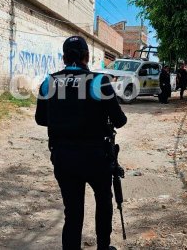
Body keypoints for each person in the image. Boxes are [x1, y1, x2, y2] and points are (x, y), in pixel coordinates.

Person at [35, 36, 127, 250]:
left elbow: (41, 119)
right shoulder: (98, 81)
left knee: (73, 211)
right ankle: (103, 247)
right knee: (103, 201)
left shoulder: (49, 82)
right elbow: (120, 121)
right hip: (96, 158)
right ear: (86, 56)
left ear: (64, 57)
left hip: (63, 158)